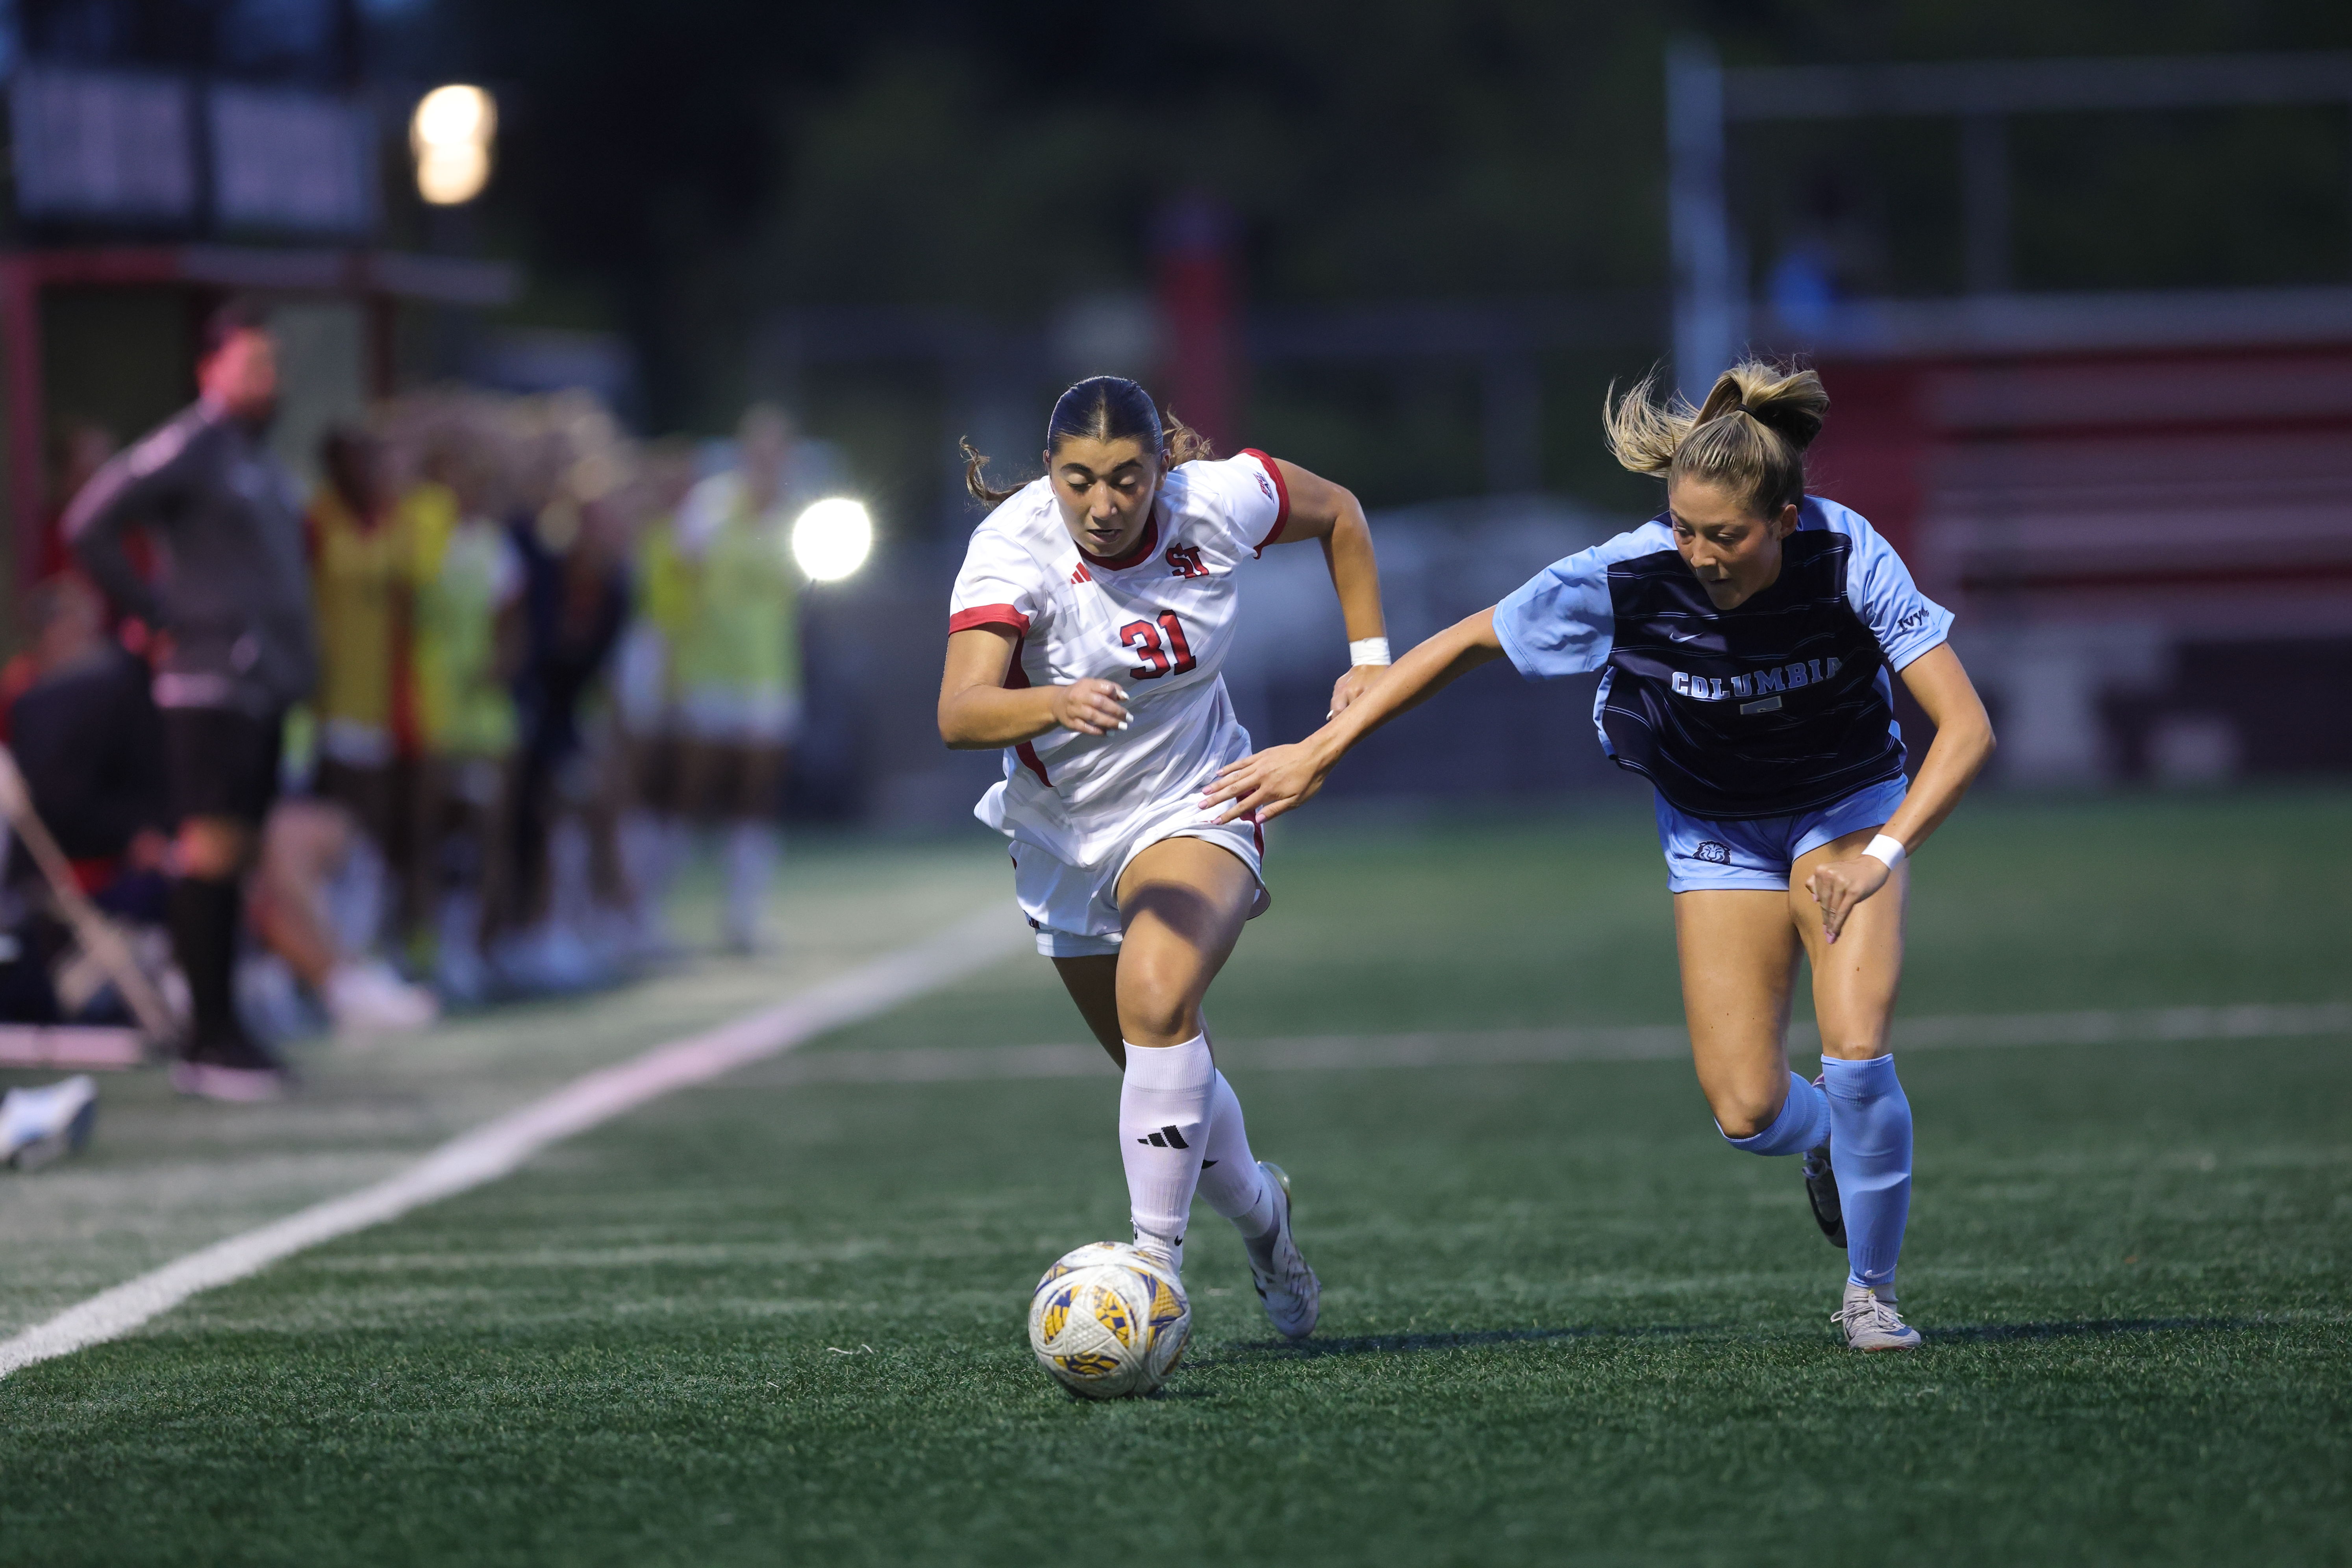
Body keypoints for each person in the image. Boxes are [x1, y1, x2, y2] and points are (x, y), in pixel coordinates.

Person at [1204, 362, 1997, 1353]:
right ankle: (1832, 1148)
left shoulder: (1847, 555)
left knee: (1858, 1056)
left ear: (1785, 520)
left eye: (1727, 535)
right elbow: (1464, 642)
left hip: (1845, 810)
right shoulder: (1629, 572)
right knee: (1748, 1109)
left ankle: (1869, 1294)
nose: (1701, 554)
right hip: (1714, 825)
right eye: (1685, 528)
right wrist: (1318, 753)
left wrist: (1880, 855)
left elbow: (1963, 730)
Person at [939, 375, 1393, 1337]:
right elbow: (960, 712)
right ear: (1050, 473)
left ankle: (1149, 1272)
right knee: (1166, 1071)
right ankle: (1266, 1223)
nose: (1101, 505)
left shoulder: (1219, 500)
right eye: (1077, 481)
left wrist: (1370, 657)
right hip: (1063, 835)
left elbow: (1341, 516)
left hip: (1200, 798)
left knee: (1156, 999)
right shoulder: (1011, 549)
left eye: (1125, 479)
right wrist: (1051, 702)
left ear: (1160, 469)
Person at [65, 297, 319, 1101]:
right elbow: (91, 524)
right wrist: (156, 615)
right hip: (210, 685)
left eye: (270, 365)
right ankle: (203, 1040)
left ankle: (230, 1025)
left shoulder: (258, 458)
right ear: (210, 371)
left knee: (240, 856)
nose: (264, 381)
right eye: (249, 365)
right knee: (209, 852)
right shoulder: (193, 445)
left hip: (262, 685)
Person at [670, 405, 809, 952]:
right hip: (707, 670)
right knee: (689, 787)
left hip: (767, 673)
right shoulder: (708, 508)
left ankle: (742, 916)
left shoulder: (798, 517)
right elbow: (678, 580)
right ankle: (644, 911)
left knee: (756, 794)